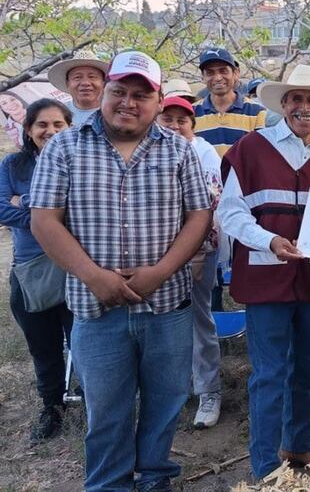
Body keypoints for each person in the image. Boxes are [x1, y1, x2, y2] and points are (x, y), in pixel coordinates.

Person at [30, 51, 213, 491]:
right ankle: (110, 484)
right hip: (96, 309)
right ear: (105, 92)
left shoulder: (178, 150)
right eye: (120, 91)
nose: (128, 103)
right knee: (107, 410)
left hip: (167, 304)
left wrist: (162, 271)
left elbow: (198, 216)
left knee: (166, 401)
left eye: (141, 95)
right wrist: (96, 277)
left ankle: (153, 476)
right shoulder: (64, 146)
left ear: (158, 100)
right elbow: (44, 220)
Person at [216, 64, 310, 478]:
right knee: (269, 374)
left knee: (309, 368)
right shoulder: (250, 149)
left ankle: (300, 447)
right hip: (265, 278)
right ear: (284, 104)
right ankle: (264, 466)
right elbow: (230, 213)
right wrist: (269, 241)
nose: (305, 107)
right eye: (297, 99)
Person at [1, 99, 73, 442]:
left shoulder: (80, 160)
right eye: (42, 125)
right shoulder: (13, 165)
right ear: (29, 130)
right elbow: (3, 209)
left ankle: (93, 399)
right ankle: (52, 406)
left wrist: (26, 200)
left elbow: (82, 208)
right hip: (31, 269)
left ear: (69, 128)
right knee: (43, 346)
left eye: (59, 124)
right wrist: (49, 213)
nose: (51, 131)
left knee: (84, 344)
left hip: (77, 265)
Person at [156, 95, 226, 428]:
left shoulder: (203, 152)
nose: (174, 125)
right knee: (161, 324)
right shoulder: (147, 150)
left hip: (198, 252)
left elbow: (211, 206)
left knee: (200, 321)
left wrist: (198, 253)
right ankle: (170, 388)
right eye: (167, 119)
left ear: (192, 125)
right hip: (153, 254)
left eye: (182, 120)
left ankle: (209, 390)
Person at [193, 47, 268, 156]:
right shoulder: (192, 113)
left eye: (223, 71)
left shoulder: (257, 112)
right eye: (210, 73)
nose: (218, 77)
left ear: (236, 73)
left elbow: (260, 156)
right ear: (202, 77)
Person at [46, 47, 109, 127]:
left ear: (103, 83)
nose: (85, 83)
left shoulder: (113, 113)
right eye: (77, 77)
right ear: (67, 83)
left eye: (92, 77)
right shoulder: (57, 113)